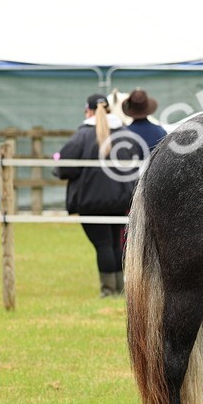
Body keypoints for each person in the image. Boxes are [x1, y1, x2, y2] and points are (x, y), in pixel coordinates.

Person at [53, 93, 135, 297]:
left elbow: (65, 168)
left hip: (91, 201)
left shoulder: (81, 135)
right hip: (120, 199)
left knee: (103, 244)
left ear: (88, 111)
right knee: (116, 243)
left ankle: (108, 290)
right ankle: (120, 289)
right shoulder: (123, 133)